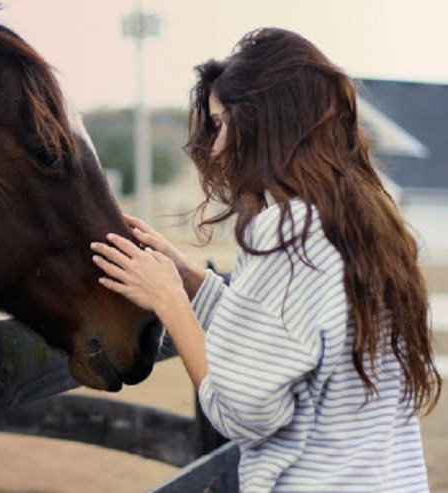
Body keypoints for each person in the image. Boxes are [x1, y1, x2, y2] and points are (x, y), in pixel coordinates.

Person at [90, 27, 442, 492]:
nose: (214, 147)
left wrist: (169, 300)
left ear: (262, 121)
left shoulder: (286, 233)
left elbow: (243, 412)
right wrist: (189, 277)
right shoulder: (360, 222)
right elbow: (279, 338)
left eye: (220, 123)